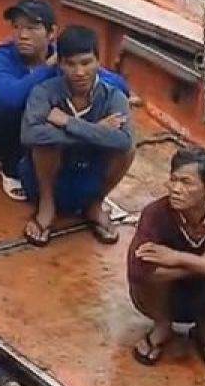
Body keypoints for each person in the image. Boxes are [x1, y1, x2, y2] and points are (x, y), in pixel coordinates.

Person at [0, 0, 128, 201]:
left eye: (32, 28)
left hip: (53, 132)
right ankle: (12, 168)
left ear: (51, 33)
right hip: (12, 135)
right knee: (1, 110)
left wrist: (77, 70)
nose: (22, 35)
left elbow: (118, 85)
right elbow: (10, 99)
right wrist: (48, 68)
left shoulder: (65, 58)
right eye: (16, 27)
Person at [128, 147, 205, 369]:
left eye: (186, 183)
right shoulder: (155, 214)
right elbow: (138, 270)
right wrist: (204, 262)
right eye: (173, 180)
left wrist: (177, 258)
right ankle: (162, 325)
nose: (175, 189)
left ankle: (204, 328)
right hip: (161, 295)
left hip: (204, 295)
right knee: (147, 278)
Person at [20, 25, 135, 246]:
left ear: (98, 62)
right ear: (60, 63)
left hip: (89, 172)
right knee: (44, 144)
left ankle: (95, 204)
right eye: (71, 64)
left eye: (86, 62)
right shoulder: (44, 92)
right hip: (43, 175)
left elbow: (123, 140)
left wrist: (68, 122)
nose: (79, 72)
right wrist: (97, 130)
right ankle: (46, 205)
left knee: (128, 151)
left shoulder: (114, 97)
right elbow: (30, 134)